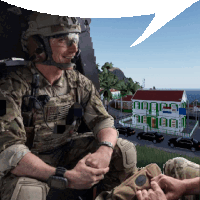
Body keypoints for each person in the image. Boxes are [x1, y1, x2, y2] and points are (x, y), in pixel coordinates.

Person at [0, 12, 138, 200]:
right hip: (26, 161)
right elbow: (10, 150)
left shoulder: (79, 83)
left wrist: (105, 150)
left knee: (123, 150)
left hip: (64, 151)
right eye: (64, 41)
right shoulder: (10, 88)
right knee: (28, 192)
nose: (74, 49)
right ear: (38, 46)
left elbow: (103, 121)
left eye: (75, 39)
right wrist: (66, 178)